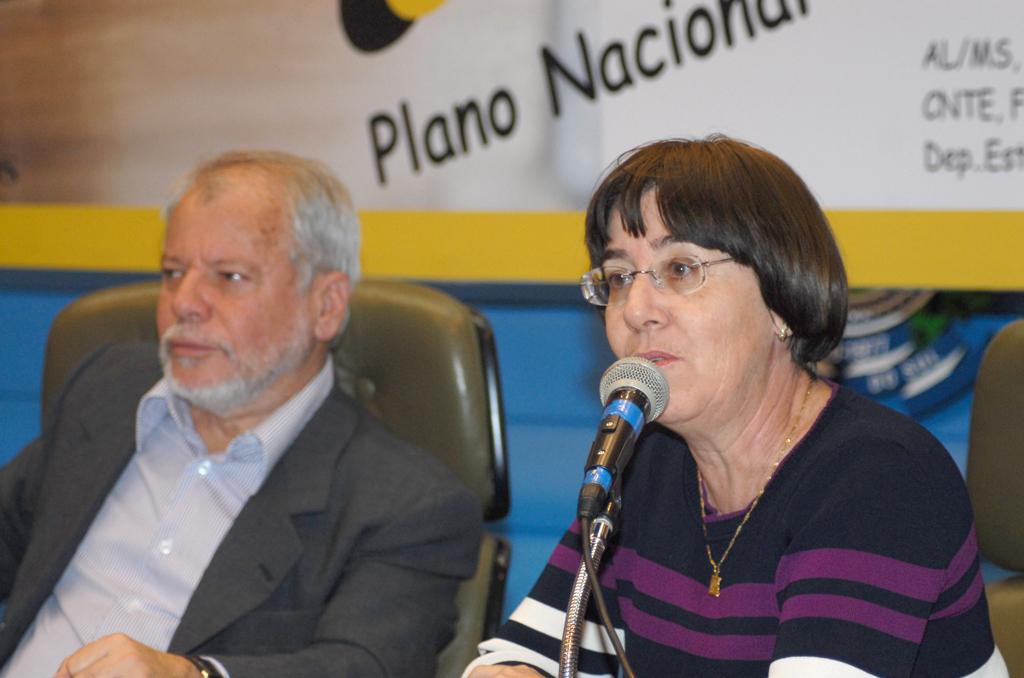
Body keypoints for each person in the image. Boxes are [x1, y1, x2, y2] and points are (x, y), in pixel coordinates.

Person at [464, 136, 1008, 677]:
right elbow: (522, 661)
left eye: (680, 270)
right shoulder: (647, 461)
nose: (636, 309)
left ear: (780, 299)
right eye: (620, 277)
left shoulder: (881, 477)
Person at [0, 151, 482, 677]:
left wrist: (192, 675)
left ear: (325, 306)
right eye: (172, 272)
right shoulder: (108, 390)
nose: (184, 302)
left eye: (229, 276)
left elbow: (363, 668)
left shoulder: (404, 504)